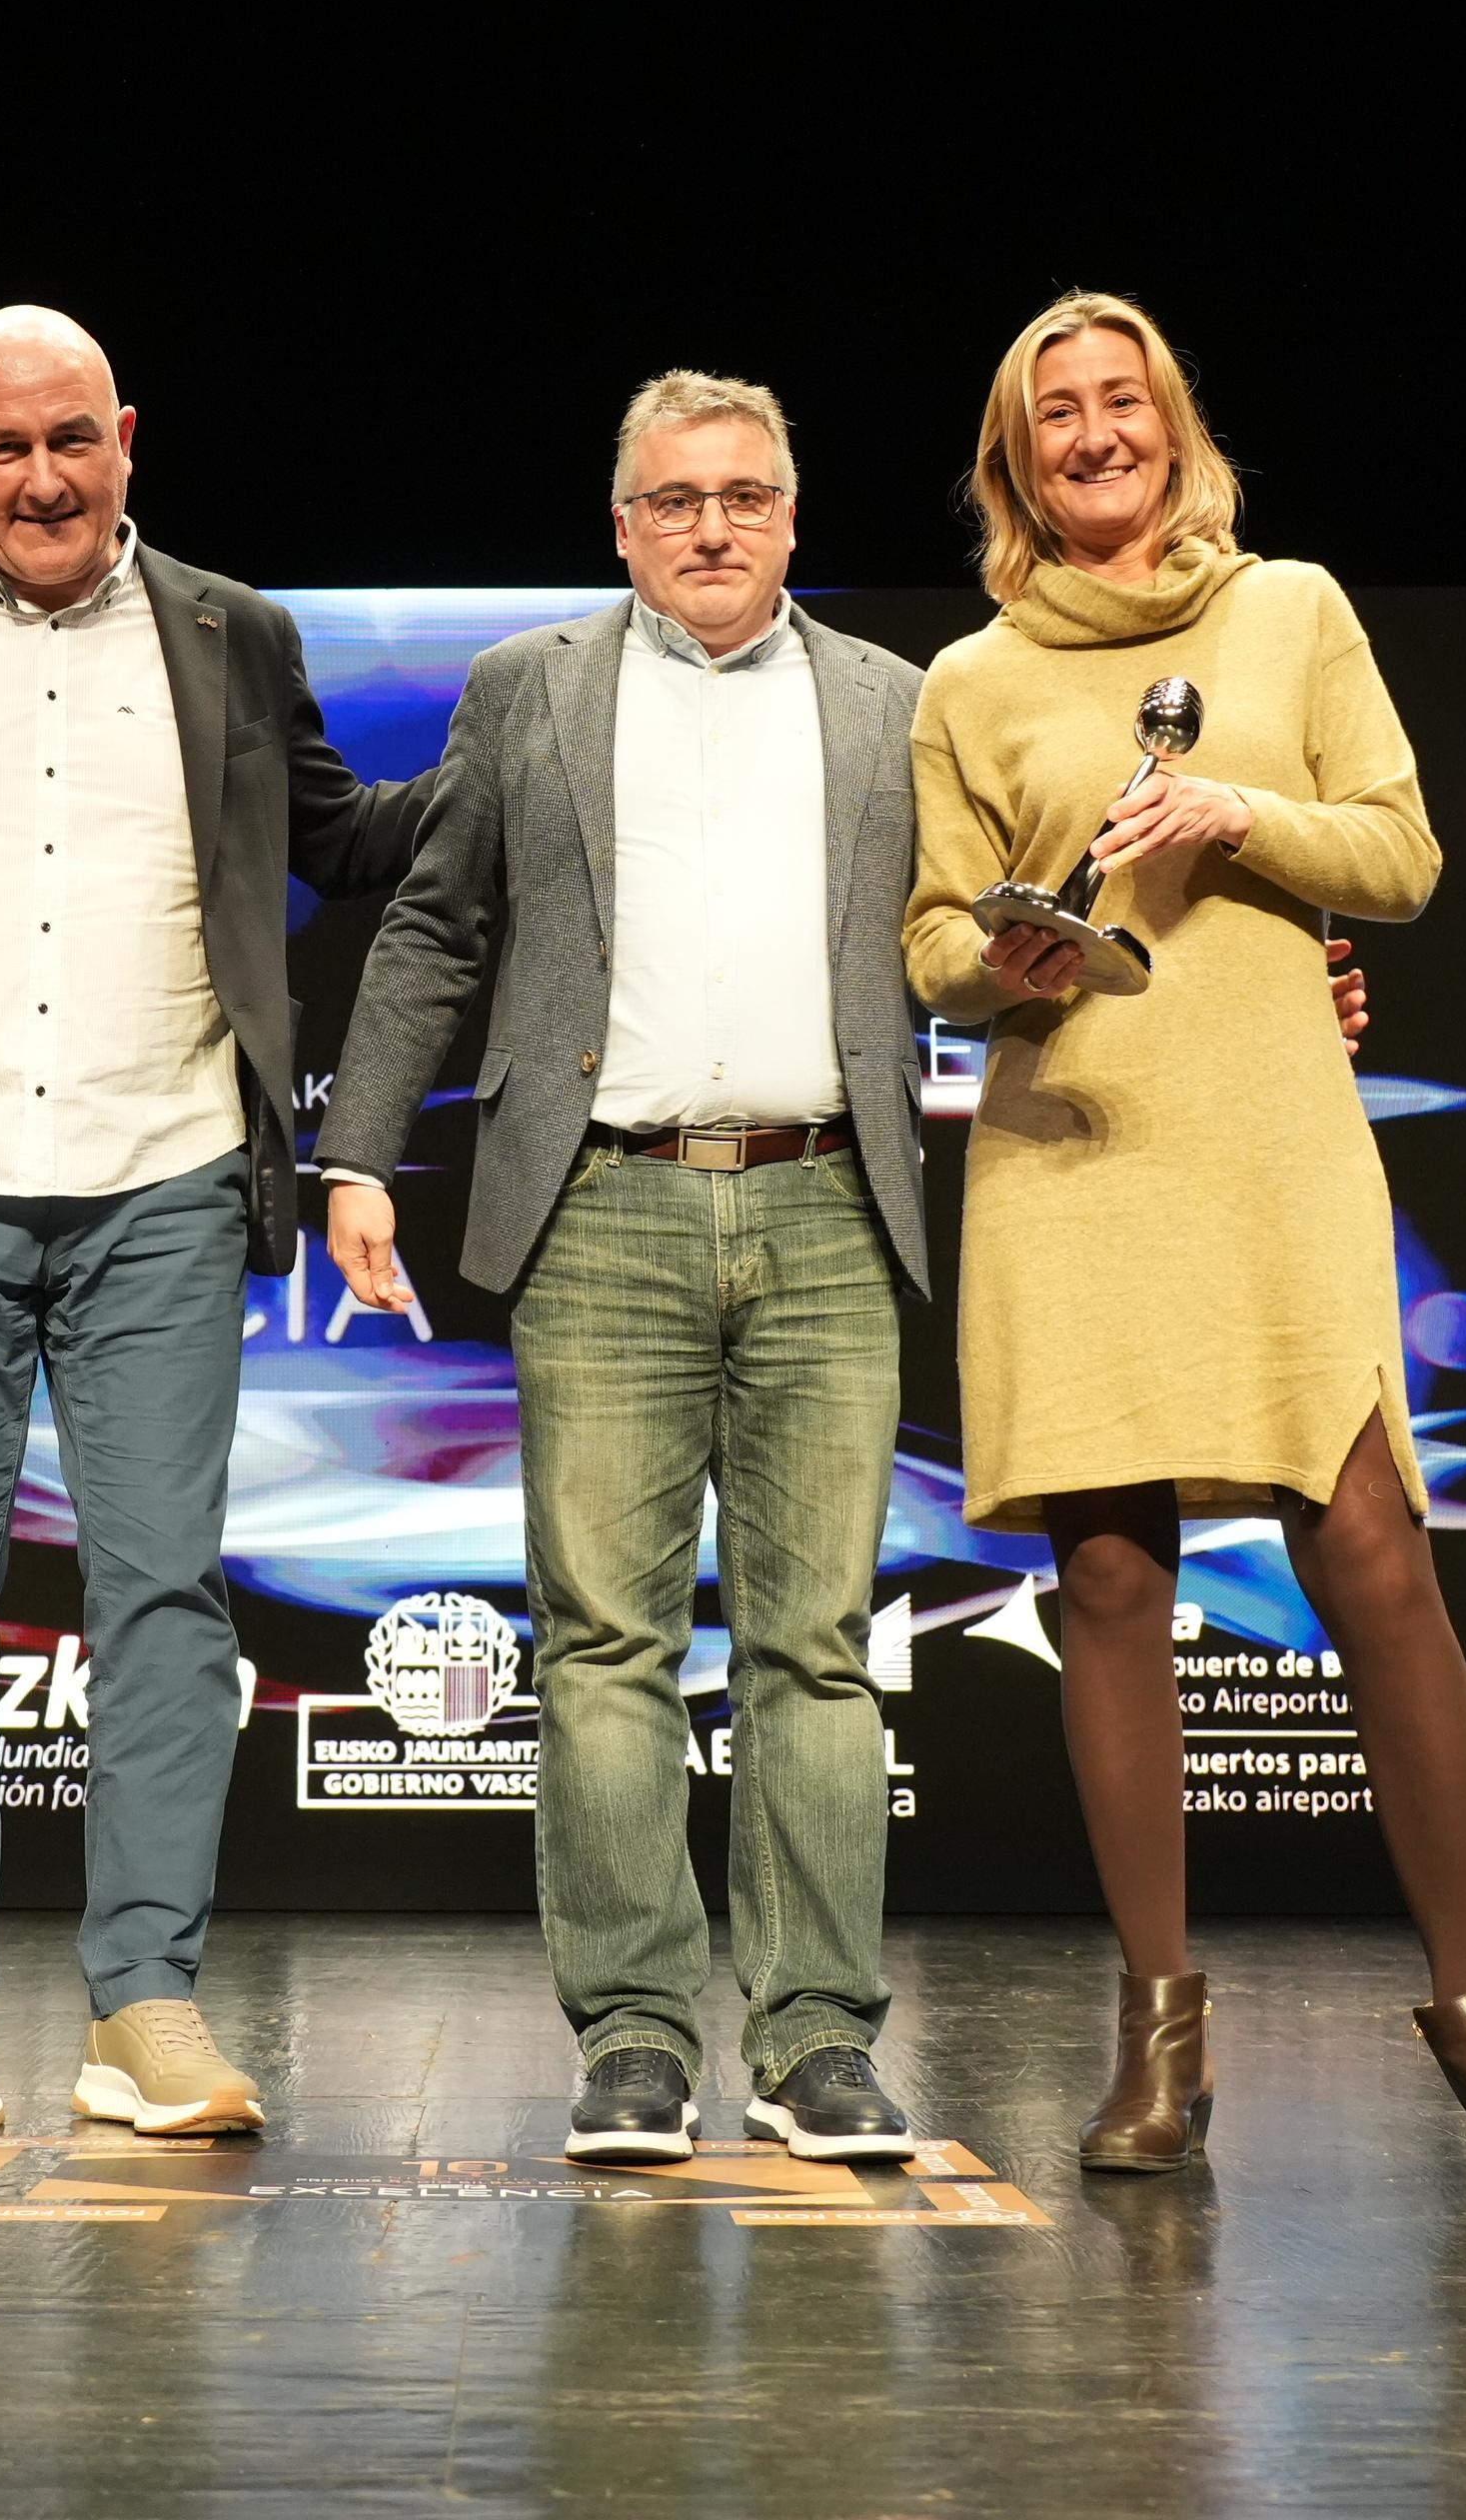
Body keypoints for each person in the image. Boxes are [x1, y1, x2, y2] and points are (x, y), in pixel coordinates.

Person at [904, 291, 1466, 2189]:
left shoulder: (1292, 611)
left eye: (1121, 401)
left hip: (1273, 1143)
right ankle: (1159, 2045)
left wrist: (1242, 814)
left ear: (1174, 427)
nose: (1092, 434)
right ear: (1014, 459)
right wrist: (1008, 958)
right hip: (1070, 1147)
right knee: (1115, 1584)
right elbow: (926, 948)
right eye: (1054, 414)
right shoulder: (967, 682)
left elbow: (1402, 852)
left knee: (1369, 1546)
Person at [0, 305, 421, 2145]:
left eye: (74, 438)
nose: (43, 478)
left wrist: (545, 760)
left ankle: (146, 2004)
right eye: (6, 448)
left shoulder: (234, 630)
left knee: (160, 1600)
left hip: (162, 1178)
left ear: (127, 434)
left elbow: (340, 840)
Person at [314, 371, 934, 2164]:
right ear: (623, 525)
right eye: (676, 500)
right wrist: (358, 1147)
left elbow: (970, 943)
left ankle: (816, 2038)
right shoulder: (530, 690)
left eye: (745, 495)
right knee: (604, 1646)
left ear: (795, 516)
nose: (714, 526)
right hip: (602, 1207)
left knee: (815, 1648)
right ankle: (638, 2038)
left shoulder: (895, 705)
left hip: (826, 1206)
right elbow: (438, 924)